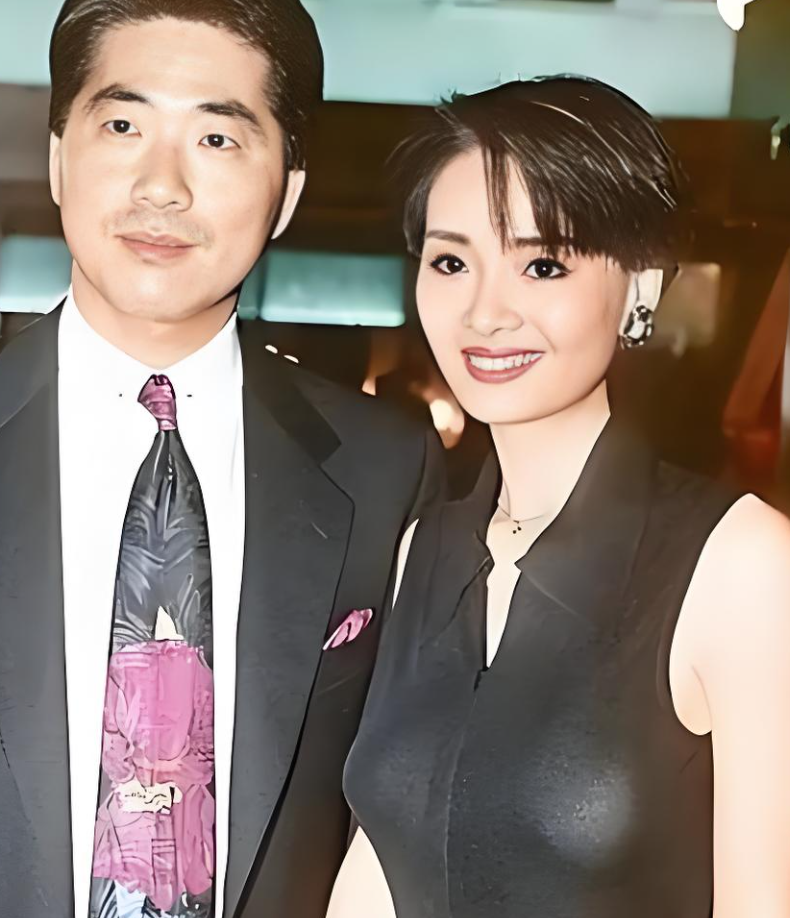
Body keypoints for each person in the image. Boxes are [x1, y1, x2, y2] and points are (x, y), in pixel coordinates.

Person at [0, 3, 443, 916]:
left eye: (217, 139)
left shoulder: (384, 466)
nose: (162, 186)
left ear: (287, 192)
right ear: (58, 158)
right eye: (122, 126)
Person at [329, 76, 790, 918]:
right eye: (450, 262)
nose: (484, 312)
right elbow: (379, 861)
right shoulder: (424, 548)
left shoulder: (740, 562)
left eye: (541, 265)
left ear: (640, 287)